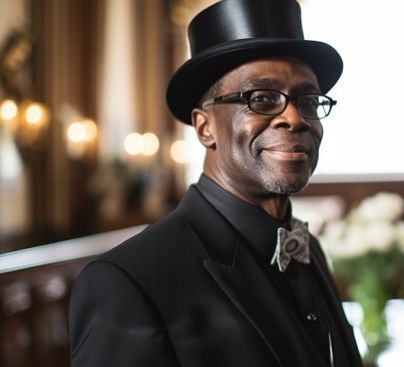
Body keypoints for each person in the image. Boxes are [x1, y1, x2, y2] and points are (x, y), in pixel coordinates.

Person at [69, 0, 362, 366]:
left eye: (307, 100)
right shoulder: (127, 281)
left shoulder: (309, 249)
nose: (293, 117)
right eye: (262, 98)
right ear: (206, 128)